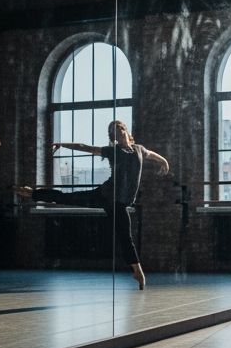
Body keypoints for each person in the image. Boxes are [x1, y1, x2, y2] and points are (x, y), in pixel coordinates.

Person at [16, 120, 170, 290]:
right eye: (112, 131)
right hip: (107, 197)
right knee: (69, 199)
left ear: (125, 130)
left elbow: (152, 154)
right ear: (112, 137)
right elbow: (84, 147)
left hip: (117, 201)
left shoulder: (139, 149)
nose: (116, 132)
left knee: (123, 234)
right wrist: (62, 144)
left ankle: (137, 271)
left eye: (118, 128)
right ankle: (32, 193)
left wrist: (164, 161)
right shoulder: (112, 151)